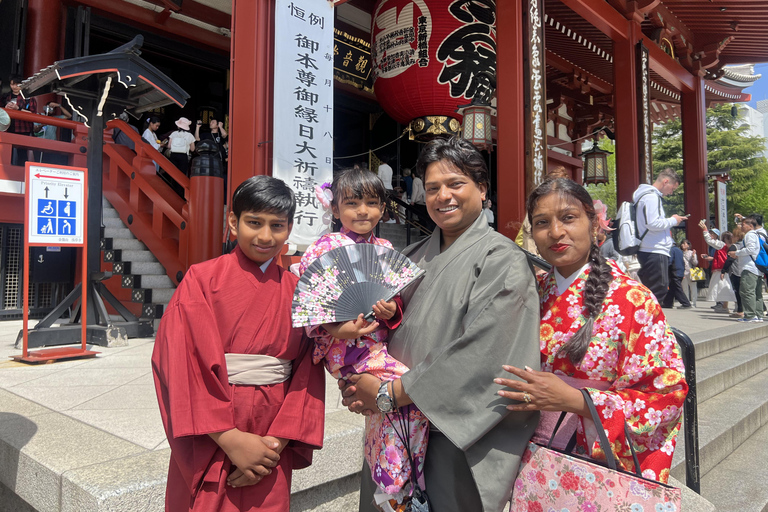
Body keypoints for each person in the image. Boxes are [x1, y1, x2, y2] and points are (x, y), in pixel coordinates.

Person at [340, 136, 540, 512]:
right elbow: (371, 331)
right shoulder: (409, 257)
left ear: (482, 189)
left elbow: (483, 353)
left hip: (450, 437)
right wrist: (354, 377)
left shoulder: (502, 259)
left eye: (455, 184)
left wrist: (390, 394)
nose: (442, 196)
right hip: (391, 434)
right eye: (432, 188)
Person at [151, 176, 325, 512]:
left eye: (277, 225)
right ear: (233, 222)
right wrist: (230, 439)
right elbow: (180, 363)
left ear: (289, 230)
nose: (265, 236)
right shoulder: (201, 280)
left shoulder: (298, 292)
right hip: (212, 431)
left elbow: (308, 370)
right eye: (254, 223)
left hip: (273, 430)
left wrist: (274, 446)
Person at [497, 177, 687, 484]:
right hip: (526, 457)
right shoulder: (531, 293)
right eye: (542, 222)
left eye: (568, 218)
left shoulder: (632, 300)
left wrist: (576, 400)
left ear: (594, 224)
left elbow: (666, 397)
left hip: (593, 465)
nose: (556, 232)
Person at [299, 169, 426, 511]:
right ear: (336, 209)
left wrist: (388, 310)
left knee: (387, 411)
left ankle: (391, 477)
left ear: (383, 209)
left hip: (375, 345)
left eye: (372, 203)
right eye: (352, 203)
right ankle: (394, 480)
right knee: (410, 395)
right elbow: (315, 304)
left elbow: (396, 300)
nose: (362, 211)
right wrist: (343, 330)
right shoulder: (326, 246)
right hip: (347, 350)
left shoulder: (383, 248)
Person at [633, 168, 688, 305]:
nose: (671, 192)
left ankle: (647, 323)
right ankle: (649, 324)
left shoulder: (644, 195)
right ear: (665, 181)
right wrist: (673, 220)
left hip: (648, 248)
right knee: (657, 291)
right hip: (654, 249)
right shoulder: (652, 196)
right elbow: (653, 223)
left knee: (650, 291)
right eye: (672, 188)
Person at [729, 216, 764, 322]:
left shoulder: (750, 235)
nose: (741, 226)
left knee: (747, 291)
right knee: (756, 292)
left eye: (743, 224)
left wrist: (737, 253)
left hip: (749, 267)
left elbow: (750, 249)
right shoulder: (757, 235)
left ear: (750, 226)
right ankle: (758, 315)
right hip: (757, 267)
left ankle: (750, 315)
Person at [699, 220, 737, 314]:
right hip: (730, 268)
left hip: (722, 270)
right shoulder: (734, 246)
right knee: (728, 288)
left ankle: (734, 306)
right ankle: (727, 306)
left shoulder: (722, 245)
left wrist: (704, 230)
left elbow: (709, 240)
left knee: (726, 288)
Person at [2, 74, 37, 164]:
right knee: (5, 152)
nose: (14, 87)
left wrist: (18, 109)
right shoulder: (5, 97)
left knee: (22, 154)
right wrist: (5, 108)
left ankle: (21, 173)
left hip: (23, 128)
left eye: (17, 84)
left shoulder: (29, 98)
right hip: (8, 127)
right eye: (12, 84)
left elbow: (33, 115)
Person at [663, 243, 692, 309]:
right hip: (680, 271)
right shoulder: (679, 250)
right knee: (672, 288)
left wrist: (665, 268)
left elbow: (670, 261)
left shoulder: (671, 250)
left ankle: (686, 303)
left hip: (674, 271)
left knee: (677, 288)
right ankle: (668, 303)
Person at [680, 239, 699, 308]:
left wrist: (693, 256)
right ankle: (687, 302)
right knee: (684, 288)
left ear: (688, 245)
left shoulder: (691, 253)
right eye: (682, 244)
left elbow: (695, 263)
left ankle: (693, 302)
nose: (683, 245)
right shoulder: (680, 253)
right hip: (683, 272)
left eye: (684, 244)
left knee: (693, 287)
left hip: (691, 272)